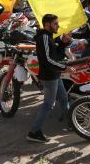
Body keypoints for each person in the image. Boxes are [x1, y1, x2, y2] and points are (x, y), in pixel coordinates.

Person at [27, 14, 75, 143]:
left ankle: (73, 122)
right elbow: (47, 59)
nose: (58, 26)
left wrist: (64, 42)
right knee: (49, 104)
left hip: (54, 74)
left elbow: (56, 55)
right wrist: (64, 68)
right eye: (55, 23)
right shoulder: (43, 37)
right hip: (49, 76)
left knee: (64, 98)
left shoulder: (48, 36)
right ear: (47, 24)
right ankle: (34, 132)